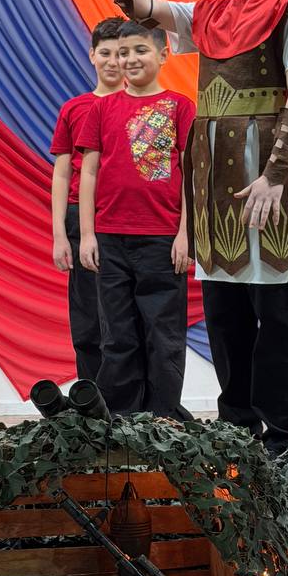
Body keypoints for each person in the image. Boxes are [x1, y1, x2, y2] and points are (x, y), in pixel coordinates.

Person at [68, 0, 288, 457]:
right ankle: (237, 433)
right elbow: (141, 6)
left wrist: (275, 175)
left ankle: (284, 438)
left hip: (267, 180)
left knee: (276, 314)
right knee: (226, 317)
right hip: (214, 182)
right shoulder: (209, 14)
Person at [77, 22, 195, 417]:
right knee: (118, 335)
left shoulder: (180, 107)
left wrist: (185, 234)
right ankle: (122, 418)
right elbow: (88, 172)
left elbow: (191, 174)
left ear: (163, 55)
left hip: (163, 239)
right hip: (111, 238)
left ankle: (162, 417)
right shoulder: (101, 108)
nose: (129, 59)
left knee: (163, 334)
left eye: (140, 50)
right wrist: (88, 234)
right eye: (123, 52)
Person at [50, 17, 124, 381]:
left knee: (123, 317)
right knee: (88, 318)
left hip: (127, 217)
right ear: (92, 55)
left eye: (120, 54)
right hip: (82, 219)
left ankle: (131, 400)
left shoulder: (143, 107)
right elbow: (62, 174)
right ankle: (91, 396)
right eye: (105, 53)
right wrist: (60, 236)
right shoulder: (74, 108)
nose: (113, 62)